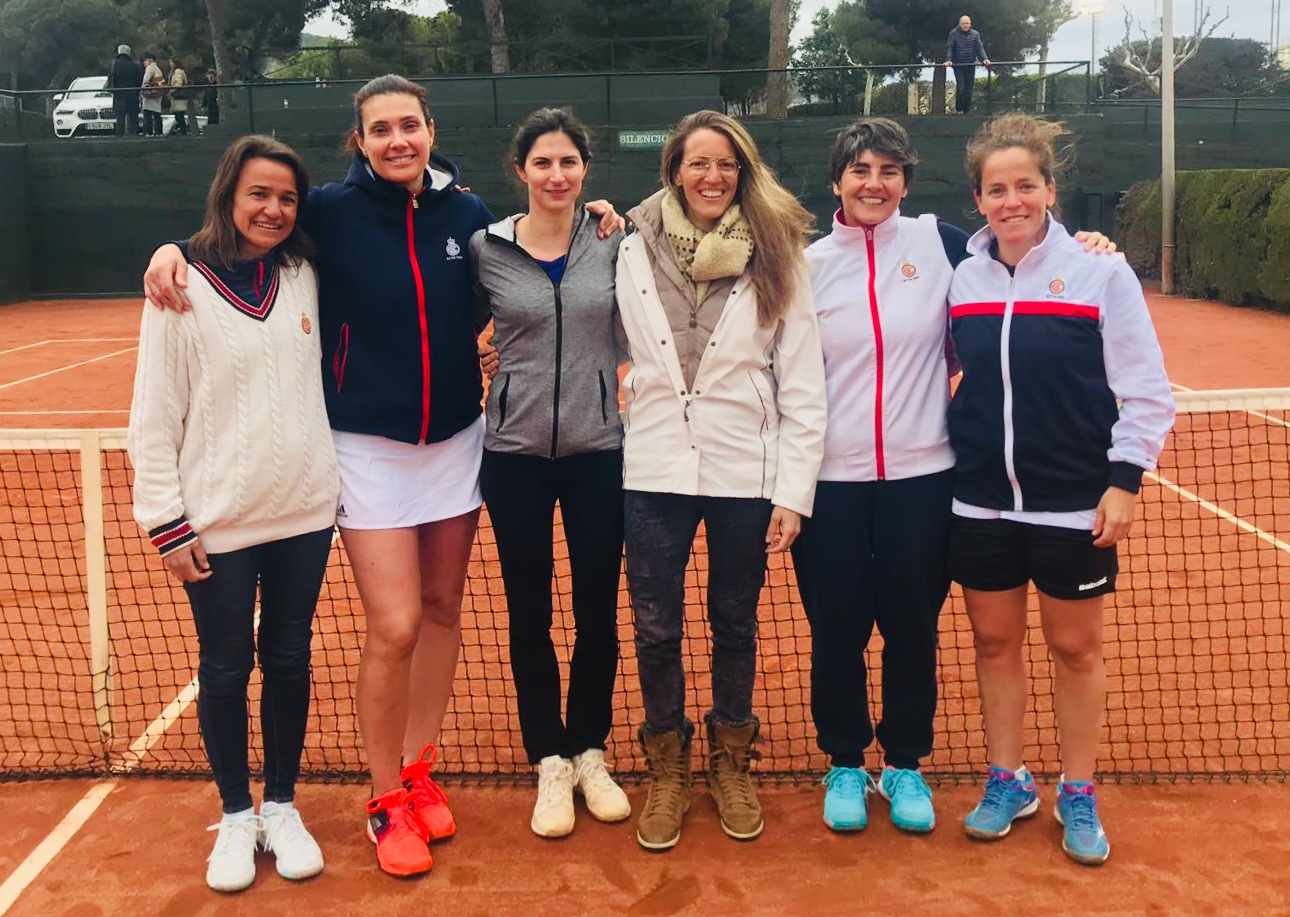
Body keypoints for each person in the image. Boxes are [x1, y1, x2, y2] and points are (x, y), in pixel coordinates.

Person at [143, 74, 623, 879]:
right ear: (359, 140)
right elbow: (250, 229)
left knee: (442, 611)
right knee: (395, 623)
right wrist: (172, 250)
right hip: (365, 447)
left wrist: (605, 210)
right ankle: (382, 795)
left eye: (410, 125)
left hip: (458, 441)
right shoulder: (325, 211)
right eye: (380, 129)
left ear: (431, 130)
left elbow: (497, 285)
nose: (397, 140)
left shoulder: (467, 216)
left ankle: (418, 766)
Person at [794, 117, 1118, 838]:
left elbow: (1019, 254)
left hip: (926, 478)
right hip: (831, 481)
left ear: (907, 182)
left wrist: (1085, 242)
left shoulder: (943, 246)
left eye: (888, 171)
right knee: (836, 627)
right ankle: (847, 760)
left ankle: (905, 761)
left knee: (914, 626)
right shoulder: (806, 264)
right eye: (859, 170)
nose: (873, 183)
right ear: (837, 182)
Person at [948, 113, 1173, 865]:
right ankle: (1006, 779)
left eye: (1025, 185)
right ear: (978, 198)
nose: (1011, 200)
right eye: (996, 188)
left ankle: (1078, 789)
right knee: (993, 641)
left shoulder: (1100, 272)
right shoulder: (962, 276)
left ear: (1050, 188)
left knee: (1075, 648)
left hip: (1072, 498)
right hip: (978, 496)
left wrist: (1124, 481)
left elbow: (1144, 390)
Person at [127, 134, 337, 893]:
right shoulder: (179, 285)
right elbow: (153, 413)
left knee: (288, 656)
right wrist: (167, 521)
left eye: (286, 197)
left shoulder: (307, 272)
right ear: (229, 194)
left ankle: (281, 804)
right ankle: (235, 813)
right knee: (224, 665)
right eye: (259, 194)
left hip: (306, 513)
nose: (273, 209)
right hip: (216, 521)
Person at [616, 109, 826, 850]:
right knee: (654, 626)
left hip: (747, 470)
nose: (712, 176)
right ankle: (667, 766)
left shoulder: (779, 253)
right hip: (652, 469)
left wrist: (793, 491)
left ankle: (732, 762)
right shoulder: (625, 244)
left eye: (726, 165)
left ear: (743, 173)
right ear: (674, 168)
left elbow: (802, 383)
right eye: (698, 163)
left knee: (736, 622)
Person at [469, 108, 631, 839]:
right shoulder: (486, 248)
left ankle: (590, 748)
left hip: (601, 450)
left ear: (585, 170)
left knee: (598, 611)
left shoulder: (614, 241)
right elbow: (438, 321)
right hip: (513, 457)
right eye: (543, 163)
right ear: (521, 170)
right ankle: (549, 759)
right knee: (528, 613)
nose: (557, 175)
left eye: (568, 162)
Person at [944, 15, 991, 114]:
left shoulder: (975, 34)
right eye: (964, 23)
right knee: (961, 87)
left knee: (969, 89)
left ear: (970, 24)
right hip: (958, 65)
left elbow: (979, 48)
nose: (966, 25)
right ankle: (959, 109)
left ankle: (967, 110)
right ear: (960, 24)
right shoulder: (953, 34)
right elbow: (950, 48)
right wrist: (948, 60)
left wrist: (985, 59)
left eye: (967, 23)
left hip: (970, 64)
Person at [107, 44, 142, 137]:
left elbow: (111, 79)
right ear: (129, 53)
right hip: (132, 95)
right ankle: (135, 137)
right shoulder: (135, 65)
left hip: (119, 95)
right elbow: (140, 81)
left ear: (119, 52)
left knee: (120, 118)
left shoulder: (114, 64)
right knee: (133, 118)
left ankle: (119, 137)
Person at [141, 52, 164, 137]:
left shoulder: (150, 68)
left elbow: (145, 81)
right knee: (157, 114)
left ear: (150, 59)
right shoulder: (158, 68)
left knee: (147, 113)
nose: (144, 62)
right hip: (157, 94)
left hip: (150, 95)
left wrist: (142, 90)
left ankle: (148, 132)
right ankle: (159, 132)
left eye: (145, 60)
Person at [169, 55, 190, 135]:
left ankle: (183, 131)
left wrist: (172, 91)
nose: (170, 64)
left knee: (179, 115)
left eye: (171, 62)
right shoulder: (179, 71)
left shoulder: (177, 72)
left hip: (178, 97)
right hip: (179, 97)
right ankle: (183, 130)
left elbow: (178, 83)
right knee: (179, 115)